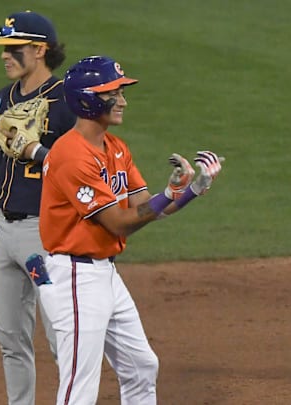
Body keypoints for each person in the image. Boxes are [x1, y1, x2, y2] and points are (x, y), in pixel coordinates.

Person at [31, 55, 224, 404]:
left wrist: (192, 189)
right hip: (74, 277)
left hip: (105, 274)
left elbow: (146, 210)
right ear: (88, 98)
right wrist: (169, 193)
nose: (122, 100)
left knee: (141, 366)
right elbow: (120, 222)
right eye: (113, 92)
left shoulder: (116, 148)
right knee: (80, 386)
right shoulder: (71, 154)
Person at [0, 10, 76, 405]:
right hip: (4, 236)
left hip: (44, 237)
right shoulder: (2, 99)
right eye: (3, 48)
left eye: (13, 48)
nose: (5, 55)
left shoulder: (65, 101)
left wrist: (39, 150)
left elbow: (78, 167)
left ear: (40, 50)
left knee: (61, 335)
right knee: (10, 338)